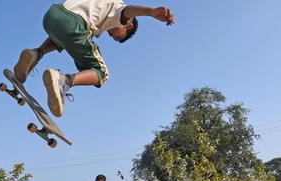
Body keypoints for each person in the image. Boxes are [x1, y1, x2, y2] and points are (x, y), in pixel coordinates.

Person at [13, 0, 175, 117]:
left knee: (64, 37)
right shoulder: (119, 10)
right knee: (101, 73)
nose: (112, 35)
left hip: (52, 15)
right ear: (129, 26)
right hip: (74, 24)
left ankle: (36, 54)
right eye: (117, 36)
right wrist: (151, 11)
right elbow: (128, 11)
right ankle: (63, 81)